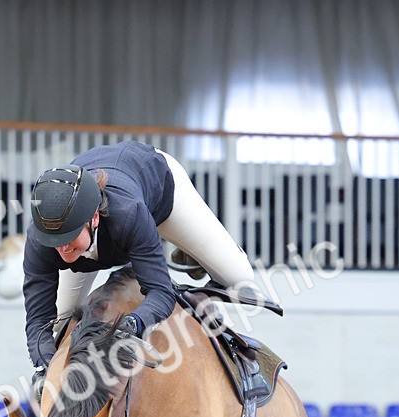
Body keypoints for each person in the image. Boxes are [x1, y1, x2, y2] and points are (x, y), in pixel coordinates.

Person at [23, 139, 258, 390]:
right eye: (54, 240)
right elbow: (39, 319)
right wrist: (44, 367)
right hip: (114, 204)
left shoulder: (128, 213)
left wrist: (134, 322)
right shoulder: (40, 240)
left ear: (92, 218)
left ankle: (188, 247)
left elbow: (161, 292)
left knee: (239, 279)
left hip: (160, 191)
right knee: (60, 319)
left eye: (68, 236)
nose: (62, 248)